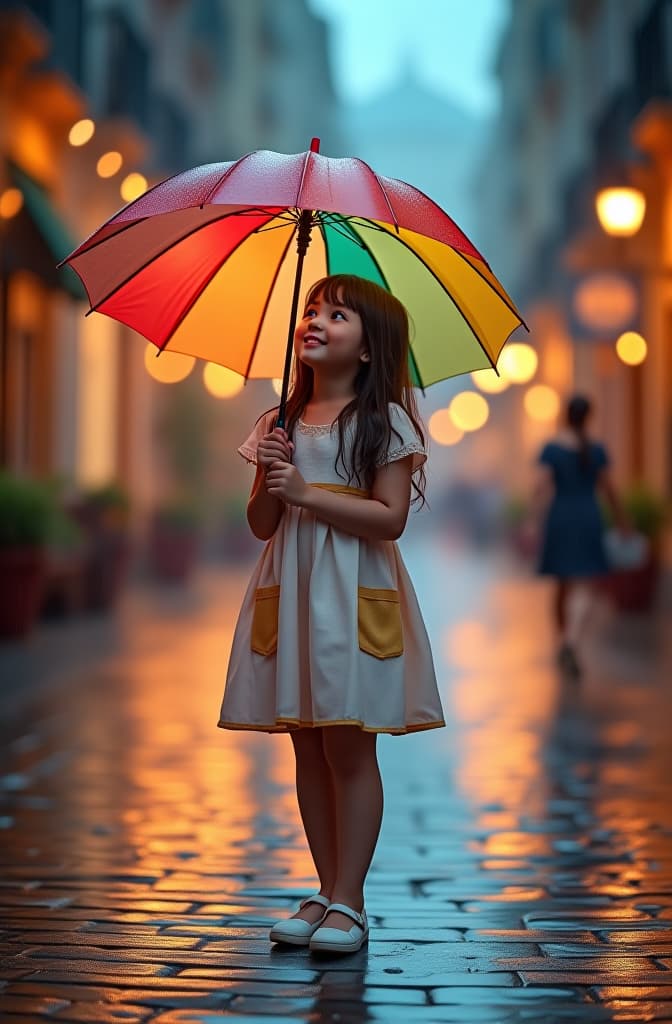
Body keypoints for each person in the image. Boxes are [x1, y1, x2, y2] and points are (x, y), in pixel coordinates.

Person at [218, 274, 445, 954]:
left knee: (348, 742)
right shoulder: (276, 423)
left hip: (351, 592)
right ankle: (324, 888)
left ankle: (352, 899)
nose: (315, 320)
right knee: (306, 742)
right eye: (312, 309)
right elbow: (261, 523)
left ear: (370, 348)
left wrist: (308, 493)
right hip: (290, 586)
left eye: (337, 314)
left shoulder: (386, 424)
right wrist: (273, 473)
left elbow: (390, 519)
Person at [530, 394, 626, 679]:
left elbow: (540, 487)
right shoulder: (597, 450)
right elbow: (609, 489)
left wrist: (532, 521)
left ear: (565, 415)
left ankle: (564, 641)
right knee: (586, 584)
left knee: (561, 585)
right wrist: (622, 521)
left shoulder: (552, 449)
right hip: (589, 518)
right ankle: (571, 640)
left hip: (560, 519)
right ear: (588, 417)